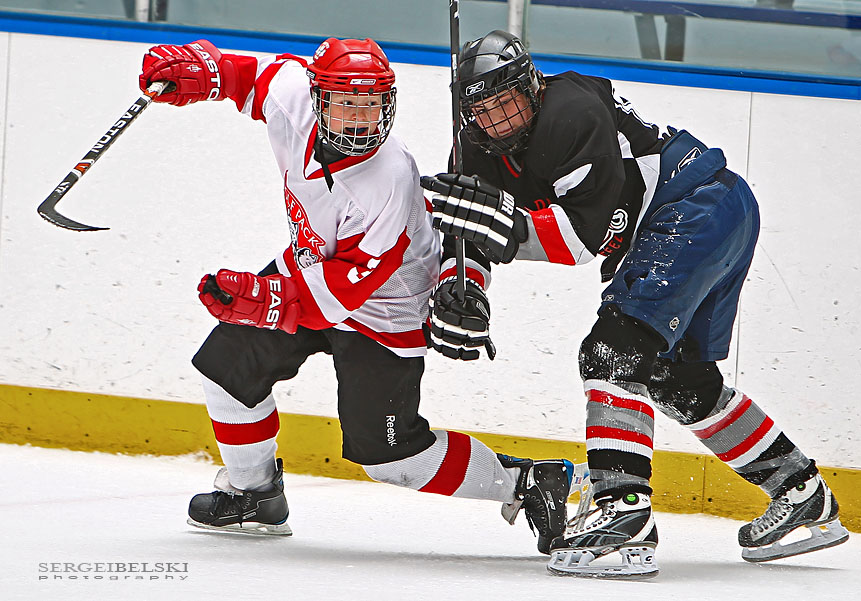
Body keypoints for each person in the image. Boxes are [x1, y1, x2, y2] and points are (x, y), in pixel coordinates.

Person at [421, 30, 849, 578]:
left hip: (696, 209)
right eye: (484, 111)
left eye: (507, 103)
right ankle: (801, 494)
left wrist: (503, 229)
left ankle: (622, 512)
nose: (499, 120)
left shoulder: (572, 112)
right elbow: (467, 230)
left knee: (612, 354)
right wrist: (465, 287)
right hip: (700, 215)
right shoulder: (475, 146)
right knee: (678, 378)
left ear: (531, 86)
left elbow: (584, 236)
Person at [137, 37, 574, 553]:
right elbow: (243, 75)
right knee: (227, 372)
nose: (360, 120)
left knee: (390, 457)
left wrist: (262, 299)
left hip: (386, 308)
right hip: (309, 266)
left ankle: (526, 482)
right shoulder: (293, 93)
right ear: (318, 100)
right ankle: (255, 496)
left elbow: (343, 292)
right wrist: (198, 70)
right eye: (347, 104)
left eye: (370, 106)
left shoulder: (388, 177)